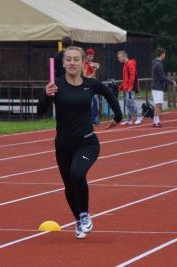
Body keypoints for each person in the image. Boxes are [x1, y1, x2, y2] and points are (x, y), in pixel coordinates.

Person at [38, 46, 122, 239]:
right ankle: (78, 220)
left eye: (76, 59)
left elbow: (109, 94)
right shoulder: (55, 86)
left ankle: (84, 214)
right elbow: (39, 113)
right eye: (69, 59)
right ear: (63, 63)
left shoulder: (90, 84)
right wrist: (45, 95)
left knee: (77, 174)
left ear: (83, 62)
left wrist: (118, 117)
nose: (72, 63)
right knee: (68, 185)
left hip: (87, 143)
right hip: (63, 145)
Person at [151, 48, 176, 127]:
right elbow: (162, 77)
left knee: (158, 104)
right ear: (162, 54)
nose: (165, 56)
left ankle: (156, 121)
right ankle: (156, 122)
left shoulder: (156, 63)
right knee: (158, 104)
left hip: (157, 86)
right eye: (164, 54)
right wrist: (172, 82)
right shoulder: (158, 64)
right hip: (157, 87)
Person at [117, 50, 143, 125]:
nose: (119, 59)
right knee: (128, 103)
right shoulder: (125, 64)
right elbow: (125, 78)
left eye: (119, 57)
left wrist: (130, 87)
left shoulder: (130, 63)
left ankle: (139, 116)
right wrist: (121, 86)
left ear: (124, 56)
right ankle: (129, 120)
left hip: (131, 88)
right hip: (126, 87)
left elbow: (132, 76)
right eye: (118, 58)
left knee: (130, 102)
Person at [83, 48, 101, 126]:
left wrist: (95, 66)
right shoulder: (83, 64)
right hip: (86, 86)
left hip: (93, 86)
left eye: (92, 56)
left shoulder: (91, 63)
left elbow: (98, 65)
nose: (91, 57)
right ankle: (89, 120)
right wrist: (94, 71)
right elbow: (86, 76)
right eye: (89, 56)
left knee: (95, 103)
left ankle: (95, 119)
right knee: (89, 103)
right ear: (86, 56)